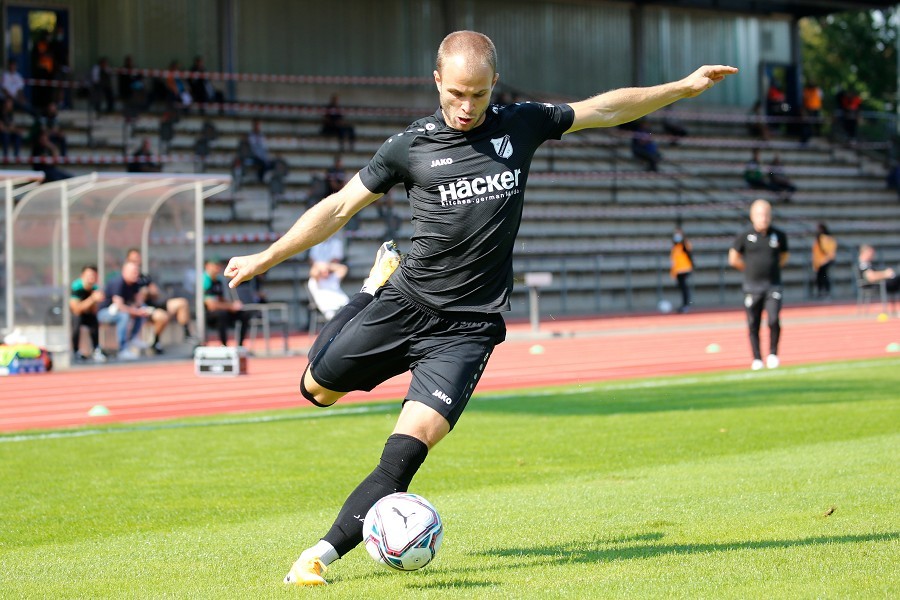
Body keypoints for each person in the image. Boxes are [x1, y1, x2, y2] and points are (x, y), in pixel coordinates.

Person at [222, 30, 737, 586]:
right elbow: (341, 207)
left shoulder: (522, 123)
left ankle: (317, 557)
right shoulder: (408, 147)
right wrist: (267, 256)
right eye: (456, 95)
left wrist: (682, 88)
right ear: (437, 81)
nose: (466, 108)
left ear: (495, 84)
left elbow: (603, 108)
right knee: (315, 391)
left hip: (468, 329)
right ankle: (371, 288)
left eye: (479, 95)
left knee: (407, 450)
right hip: (406, 299)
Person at [728, 199, 789, 371]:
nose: (764, 218)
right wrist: (748, 270)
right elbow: (733, 258)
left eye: (767, 214)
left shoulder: (779, 235)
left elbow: (784, 257)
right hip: (752, 287)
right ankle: (756, 358)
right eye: (760, 215)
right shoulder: (744, 236)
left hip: (773, 286)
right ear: (752, 216)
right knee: (753, 322)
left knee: (773, 319)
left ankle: (773, 354)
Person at [126, 248, 194, 351]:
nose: (136, 262)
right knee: (162, 316)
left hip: (155, 304)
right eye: (133, 259)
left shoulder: (144, 277)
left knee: (181, 303)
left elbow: (156, 292)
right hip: (143, 309)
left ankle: (187, 334)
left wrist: (148, 292)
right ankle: (155, 342)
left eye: (138, 259)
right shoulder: (127, 280)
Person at [97, 261, 156, 360]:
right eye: (133, 272)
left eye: (137, 271)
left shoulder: (135, 283)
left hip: (121, 310)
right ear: (125, 272)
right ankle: (122, 349)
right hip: (105, 312)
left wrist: (141, 310)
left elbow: (139, 302)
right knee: (124, 315)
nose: (136, 274)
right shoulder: (118, 282)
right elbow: (119, 306)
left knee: (142, 310)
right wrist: (135, 311)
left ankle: (133, 338)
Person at [203, 258, 251, 347]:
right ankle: (224, 345)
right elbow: (211, 305)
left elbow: (220, 299)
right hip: (209, 315)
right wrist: (230, 307)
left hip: (221, 309)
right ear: (208, 266)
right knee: (222, 314)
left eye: (218, 265)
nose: (218, 268)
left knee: (244, 314)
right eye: (215, 265)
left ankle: (240, 345)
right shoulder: (205, 280)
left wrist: (233, 305)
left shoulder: (218, 281)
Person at [307, 233, 350, 321]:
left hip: (342, 306)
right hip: (329, 309)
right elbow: (313, 269)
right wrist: (321, 267)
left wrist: (326, 266)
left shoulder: (333, 277)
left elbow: (343, 268)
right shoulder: (314, 281)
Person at [69, 264, 107, 363]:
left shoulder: (95, 288)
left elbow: (94, 310)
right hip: (72, 315)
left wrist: (96, 301)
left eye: (94, 276)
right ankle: (75, 351)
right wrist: (92, 299)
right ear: (82, 276)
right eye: (89, 275)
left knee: (94, 320)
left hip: (87, 314)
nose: (91, 278)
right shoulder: (76, 287)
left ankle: (96, 349)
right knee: (76, 320)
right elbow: (76, 309)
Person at [669, 228, 693, 312]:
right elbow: (673, 261)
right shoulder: (675, 248)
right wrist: (673, 273)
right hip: (678, 271)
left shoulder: (684, 246)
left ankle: (686, 305)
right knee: (682, 289)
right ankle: (683, 305)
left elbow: (689, 250)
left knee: (684, 288)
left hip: (685, 270)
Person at [811, 223, 837, 299]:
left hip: (825, 261)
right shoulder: (819, 239)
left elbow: (830, 251)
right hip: (819, 262)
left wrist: (825, 260)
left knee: (824, 276)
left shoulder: (827, 239)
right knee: (820, 277)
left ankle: (826, 292)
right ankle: (821, 292)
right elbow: (815, 252)